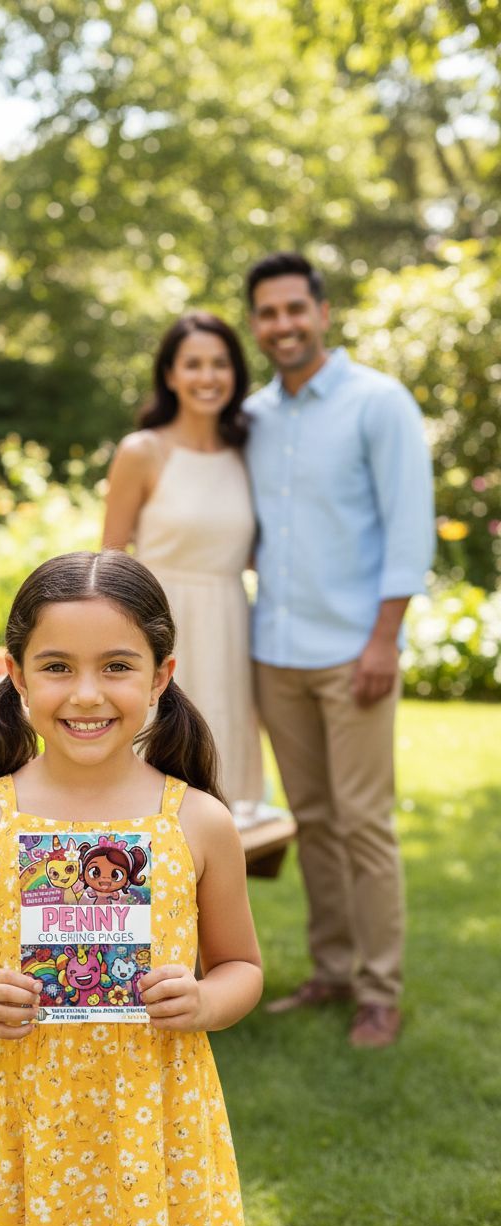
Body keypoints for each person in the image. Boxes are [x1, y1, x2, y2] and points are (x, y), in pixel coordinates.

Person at [0, 549, 263, 1226]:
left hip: (153, 1115)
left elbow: (242, 968)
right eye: (56, 667)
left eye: (117, 666)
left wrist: (205, 1000)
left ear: (161, 675)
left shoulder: (197, 822)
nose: (86, 695)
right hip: (14, 1116)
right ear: (16, 676)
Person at [243, 251, 435, 1048]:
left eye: (296, 309)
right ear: (257, 325)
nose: (283, 325)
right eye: (268, 313)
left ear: (323, 313)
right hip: (274, 653)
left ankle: (379, 990)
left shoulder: (377, 403)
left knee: (363, 823)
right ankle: (330, 970)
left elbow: (409, 527)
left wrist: (384, 640)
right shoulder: (250, 416)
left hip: (354, 652)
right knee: (312, 821)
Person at [102, 312, 263, 806]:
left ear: (235, 373)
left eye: (220, 364)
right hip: (160, 622)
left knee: (221, 768)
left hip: (229, 624)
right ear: (170, 374)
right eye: (193, 364)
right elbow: (109, 560)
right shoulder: (143, 451)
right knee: (155, 771)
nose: (208, 377)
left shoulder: (248, 451)